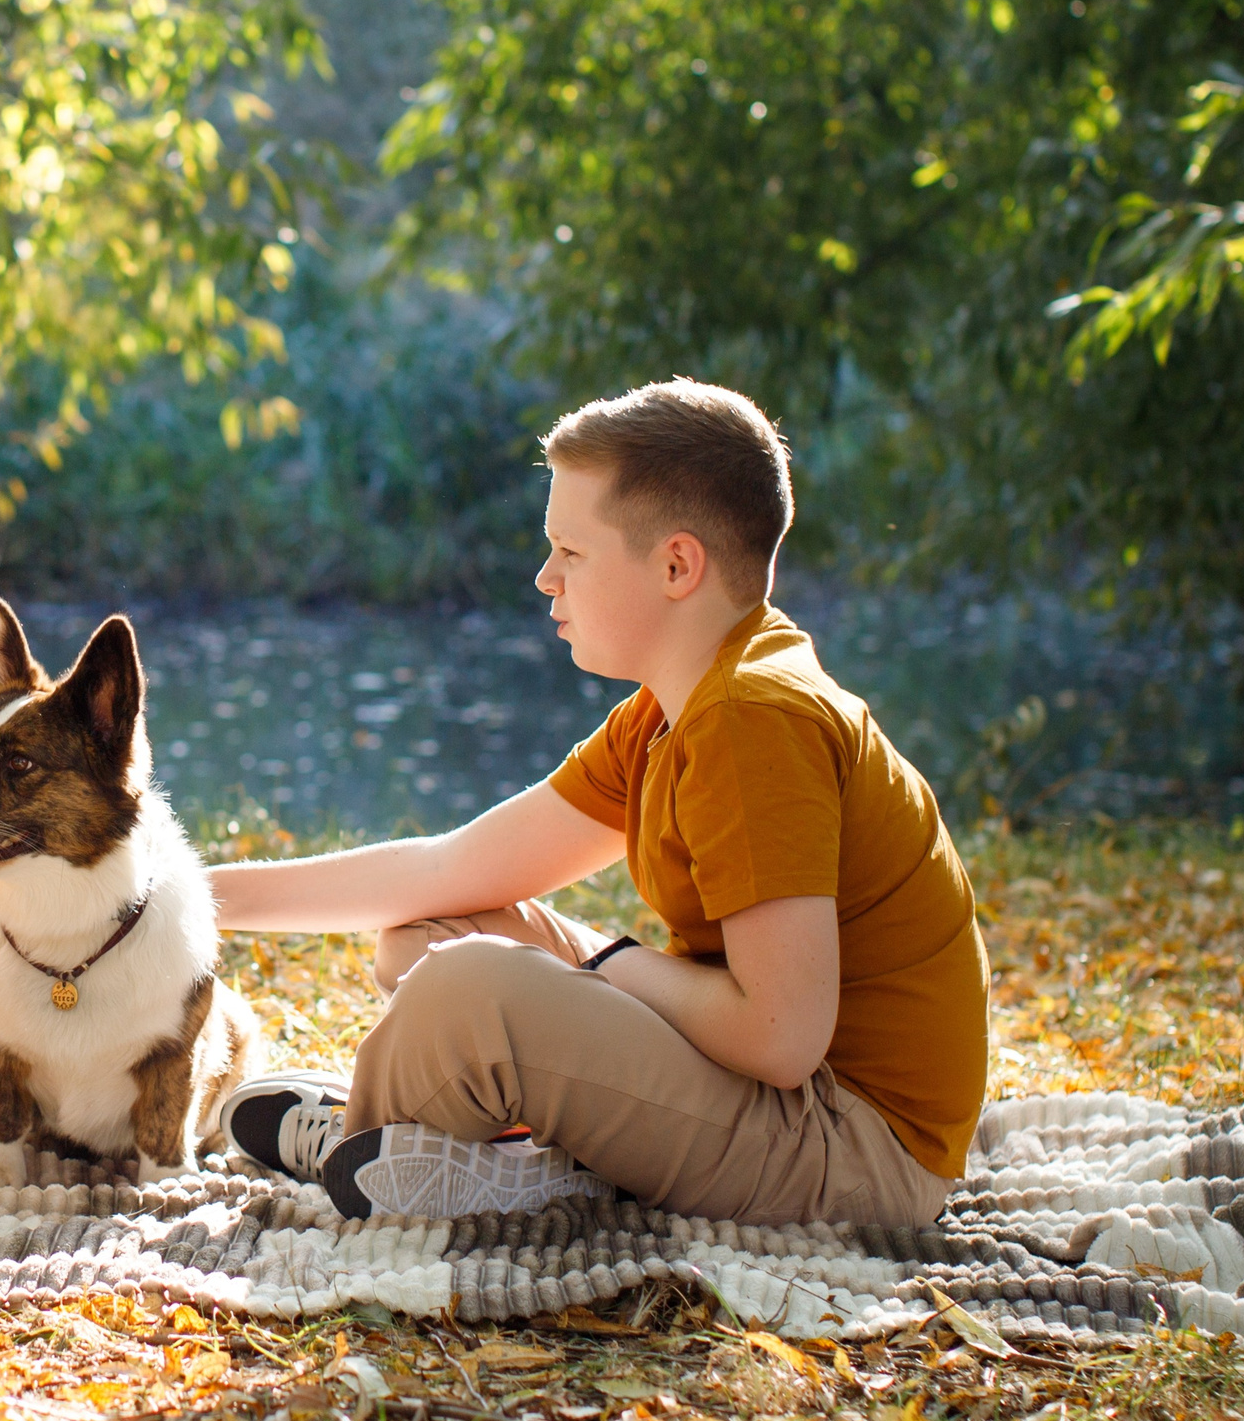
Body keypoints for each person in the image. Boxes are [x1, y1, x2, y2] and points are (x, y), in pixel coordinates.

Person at [209, 379, 987, 1229]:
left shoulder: (751, 718)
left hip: (853, 1154)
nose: (546, 578)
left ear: (677, 565)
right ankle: (455, 1155)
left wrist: (605, 963)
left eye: (571, 552)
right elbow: (451, 868)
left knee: (467, 990)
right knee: (434, 933)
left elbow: (779, 1035)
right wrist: (191, 900)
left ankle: (373, 1145)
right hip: (779, 1103)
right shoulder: (673, 709)